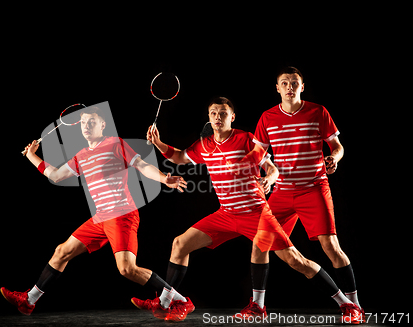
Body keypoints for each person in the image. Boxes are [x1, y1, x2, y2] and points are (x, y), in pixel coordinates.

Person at [134, 97, 360, 322]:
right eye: (213, 113)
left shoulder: (246, 139)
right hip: (226, 214)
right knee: (179, 244)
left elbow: (271, 168)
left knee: (295, 260)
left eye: (223, 113)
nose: (217, 117)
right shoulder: (204, 145)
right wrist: (158, 143)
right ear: (209, 117)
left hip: (256, 214)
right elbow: (179, 158)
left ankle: (347, 303)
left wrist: (270, 179)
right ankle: (169, 302)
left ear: (232, 117)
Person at [0, 106, 193, 322]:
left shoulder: (115, 144)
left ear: (103, 125)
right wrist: (31, 156)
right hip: (100, 217)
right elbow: (55, 175)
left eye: (92, 121)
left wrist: (163, 178)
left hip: (122, 215)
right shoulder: (81, 155)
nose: (86, 126)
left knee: (127, 269)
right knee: (62, 251)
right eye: (83, 123)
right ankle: (29, 300)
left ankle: (180, 299)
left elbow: (141, 165)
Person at [254, 67, 363, 323]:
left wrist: (334, 157)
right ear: (277, 88)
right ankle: (258, 306)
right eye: (284, 83)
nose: (289, 86)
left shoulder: (318, 112)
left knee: (331, 247)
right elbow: (259, 153)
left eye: (294, 82)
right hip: (282, 191)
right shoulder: (267, 117)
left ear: (302, 87)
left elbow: (337, 146)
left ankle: (355, 306)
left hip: (313, 188)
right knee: (261, 244)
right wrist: (265, 175)